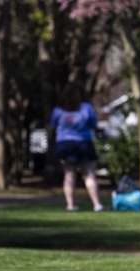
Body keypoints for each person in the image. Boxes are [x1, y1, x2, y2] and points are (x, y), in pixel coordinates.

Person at [50, 82, 104, 212]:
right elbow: (93, 123)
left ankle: (71, 205)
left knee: (69, 175)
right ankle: (97, 205)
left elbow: (52, 125)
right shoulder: (86, 107)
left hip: (64, 144)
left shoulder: (58, 110)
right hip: (83, 143)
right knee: (89, 174)